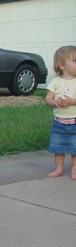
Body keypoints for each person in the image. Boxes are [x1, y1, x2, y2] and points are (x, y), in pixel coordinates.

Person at [45, 45, 76, 180]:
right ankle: (59, 169)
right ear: (62, 65)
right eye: (75, 60)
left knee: (74, 148)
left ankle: (74, 169)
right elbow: (48, 99)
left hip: (74, 122)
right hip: (59, 123)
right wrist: (55, 102)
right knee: (58, 148)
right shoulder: (55, 82)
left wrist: (72, 102)